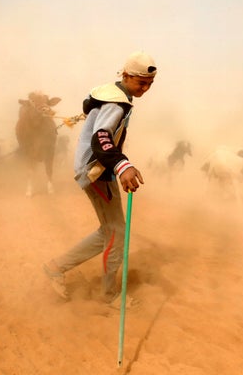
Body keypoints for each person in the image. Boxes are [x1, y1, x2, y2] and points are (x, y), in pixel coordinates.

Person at [43, 51, 157, 305]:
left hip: (97, 169)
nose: (146, 88)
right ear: (126, 76)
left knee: (111, 231)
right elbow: (101, 138)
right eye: (141, 82)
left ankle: (56, 266)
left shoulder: (113, 95)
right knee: (116, 233)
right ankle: (108, 294)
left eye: (150, 83)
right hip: (97, 171)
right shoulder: (117, 103)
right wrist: (122, 165)